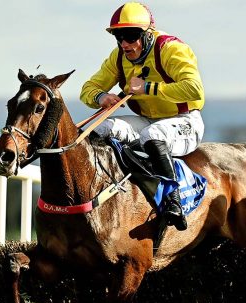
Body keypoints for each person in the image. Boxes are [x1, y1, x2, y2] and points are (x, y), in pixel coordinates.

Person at [80, 2, 205, 231]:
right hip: (147, 120)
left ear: (147, 35)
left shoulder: (171, 49)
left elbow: (194, 89)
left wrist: (148, 88)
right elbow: (87, 89)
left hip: (185, 121)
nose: (125, 44)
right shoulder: (118, 56)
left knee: (152, 133)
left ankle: (173, 199)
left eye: (130, 36)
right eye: (118, 36)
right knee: (100, 128)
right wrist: (101, 97)